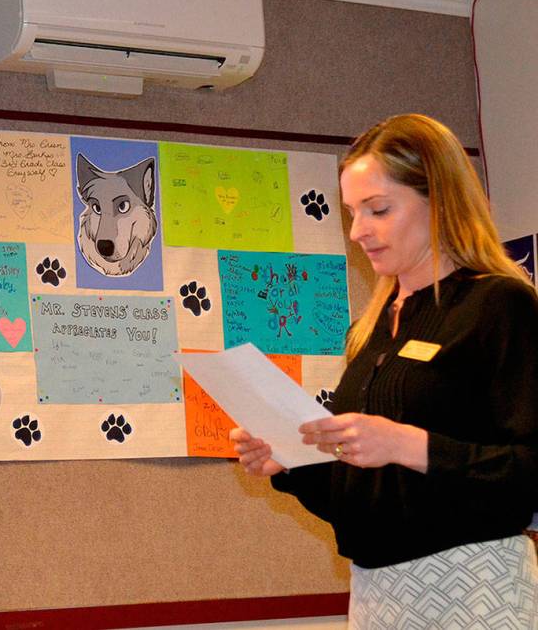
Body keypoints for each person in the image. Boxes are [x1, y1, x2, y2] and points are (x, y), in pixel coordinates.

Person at [230, 114, 538, 628]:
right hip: (378, 591)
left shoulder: (498, 305)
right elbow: (365, 499)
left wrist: (407, 444)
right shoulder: (370, 330)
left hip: (475, 583)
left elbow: (529, 470)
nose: (358, 232)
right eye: (352, 213)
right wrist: (290, 464)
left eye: (378, 209)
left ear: (440, 202)